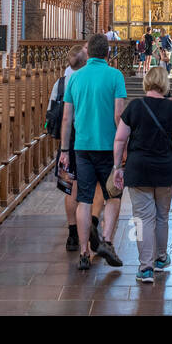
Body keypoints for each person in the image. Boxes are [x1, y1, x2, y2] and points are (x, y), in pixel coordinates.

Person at [113, 65, 172, 282]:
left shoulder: (135, 106)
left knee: (143, 218)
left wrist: (117, 167)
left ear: (146, 82)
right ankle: (160, 258)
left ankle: (145, 268)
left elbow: (120, 139)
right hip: (166, 169)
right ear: (165, 84)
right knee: (162, 216)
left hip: (139, 169)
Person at [59, 33, 127, 271]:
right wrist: (124, 144)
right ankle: (107, 240)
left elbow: (67, 118)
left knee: (84, 200)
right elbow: (119, 115)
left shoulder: (75, 78)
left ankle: (84, 252)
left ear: (89, 53)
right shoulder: (115, 76)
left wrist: (64, 150)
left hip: (82, 147)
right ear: (108, 53)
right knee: (114, 196)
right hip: (109, 148)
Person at [51, 45, 89, 251]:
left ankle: (73, 232)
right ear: (85, 62)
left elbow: (53, 113)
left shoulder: (61, 83)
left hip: (67, 141)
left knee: (69, 187)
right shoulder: (87, 80)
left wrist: (62, 145)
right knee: (89, 185)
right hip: (87, 138)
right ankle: (90, 226)